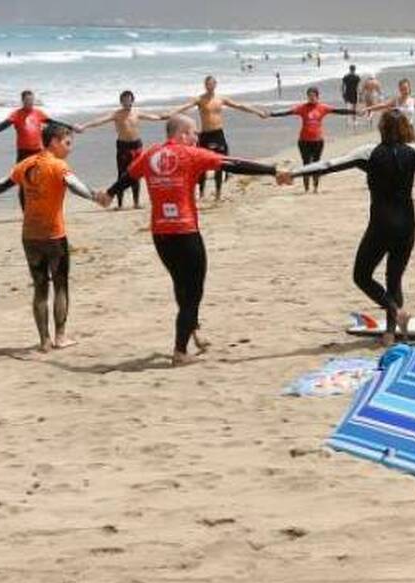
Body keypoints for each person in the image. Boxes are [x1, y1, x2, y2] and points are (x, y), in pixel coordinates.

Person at [280, 111, 415, 344]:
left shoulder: (369, 153)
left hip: (381, 224)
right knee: (394, 279)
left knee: (361, 275)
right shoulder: (414, 152)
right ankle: (390, 333)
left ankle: (396, 313)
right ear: (405, 128)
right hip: (407, 224)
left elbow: (331, 165)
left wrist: (294, 173)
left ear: (381, 128)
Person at [105, 115, 279, 366]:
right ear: (182, 134)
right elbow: (232, 164)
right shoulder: (191, 154)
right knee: (194, 292)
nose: (197, 138)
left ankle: (192, 330)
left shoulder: (150, 154)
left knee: (181, 284)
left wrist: (109, 194)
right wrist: (273, 171)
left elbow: (128, 177)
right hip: (185, 232)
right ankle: (179, 351)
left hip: (160, 234)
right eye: (193, 133)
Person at [0, 124, 110, 351]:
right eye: (67, 143)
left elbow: (3, 183)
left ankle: (44, 340)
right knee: (61, 285)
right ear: (54, 141)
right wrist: (95, 196)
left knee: (40, 288)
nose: (70, 148)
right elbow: (73, 184)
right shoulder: (58, 165)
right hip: (54, 236)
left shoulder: (27, 163)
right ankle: (60, 337)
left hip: (30, 236)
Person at [168, 76, 267, 201]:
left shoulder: (221, 99)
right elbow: (185, 106)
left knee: (220, 163)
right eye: (207, 84)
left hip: (218, 134)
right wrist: (170, 113)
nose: (209, 86)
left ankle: (218, 193)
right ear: (205, 85)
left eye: (212, 83)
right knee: (201, 165)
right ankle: (202, 193)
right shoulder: (200, 99)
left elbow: (239, 105)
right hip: (205, 135)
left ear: (215, 84)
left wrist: (256, 111)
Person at [0, 90, 77, 209]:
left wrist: (71, 127)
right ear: (23, 101)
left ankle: (36, 209)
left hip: (38, 153)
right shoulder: (16, 114)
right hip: (24, 154)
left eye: (31, 100)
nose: (30, 103)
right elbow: (1, 127)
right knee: (18, 182)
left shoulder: (38, 113)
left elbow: (53, 123)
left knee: (39, 179)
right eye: (27, 101)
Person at [76, 90, 167, 210]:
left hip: (137, 146)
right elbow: (99, 121)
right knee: (122, 175)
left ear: (132, 100)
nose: (127, 102)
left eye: (129, 99)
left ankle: (136, 203)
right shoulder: (117, 114)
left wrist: (165, 116)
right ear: (121, 101)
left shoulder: (137, 112)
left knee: (137, 174)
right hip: (123, 146)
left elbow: (155, 117)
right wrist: (84, 126)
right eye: (124, 100)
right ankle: (120, 204)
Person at [263, 86, 357, 192]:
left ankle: (315, 187)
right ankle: (306, 188)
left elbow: (338, 111)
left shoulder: (323, 107)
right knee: (306, 164)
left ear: (317, 96)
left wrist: (355, 112)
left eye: (313, 96)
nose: (311, 98)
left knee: (317, 164)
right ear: (307, 97)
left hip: (318, 141)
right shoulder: (302, 108)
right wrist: (271, 114)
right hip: (304, 141)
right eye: (309, 96)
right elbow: (287, 112)